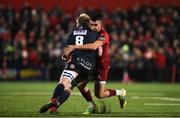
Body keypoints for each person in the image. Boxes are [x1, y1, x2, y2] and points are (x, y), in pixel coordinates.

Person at [62, 12, 127, 114]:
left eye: (96, 25)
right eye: (91, 24)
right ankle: (92, 105)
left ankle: (120, 93)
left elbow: (94, 46)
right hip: (91, 63)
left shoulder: (103, 35)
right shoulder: (90, 32)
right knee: (80, 85)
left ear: (101, 24)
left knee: (100, 94)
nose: (93, 27)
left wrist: (75, 47)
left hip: (102, 65)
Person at [39, 13, 99, 113]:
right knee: (70, 87)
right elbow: (99, 51)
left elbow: (67, 52)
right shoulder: (94, 33)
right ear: (88, 23)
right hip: (89, 67)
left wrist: (66, 56)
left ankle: (53, 101)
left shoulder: (73, 33)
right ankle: (55, 107)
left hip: (75, 62)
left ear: (78, 23)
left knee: (64, 83)